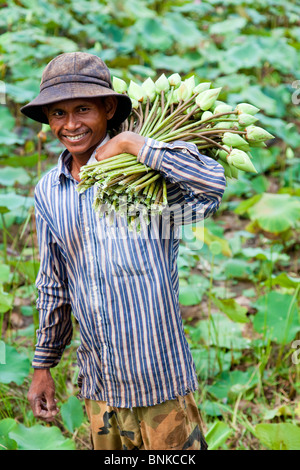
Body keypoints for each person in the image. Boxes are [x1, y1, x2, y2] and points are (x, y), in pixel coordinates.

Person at [21, 52, 226, 450]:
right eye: (58, 113)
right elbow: (54, 284)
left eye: (83, 109)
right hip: (101, 384)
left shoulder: (145, 178)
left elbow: (210, 186)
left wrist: (135, 144)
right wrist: (42, 365)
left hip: (160, 381)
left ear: (109, 107)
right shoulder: (49, 190)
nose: (71, 124)